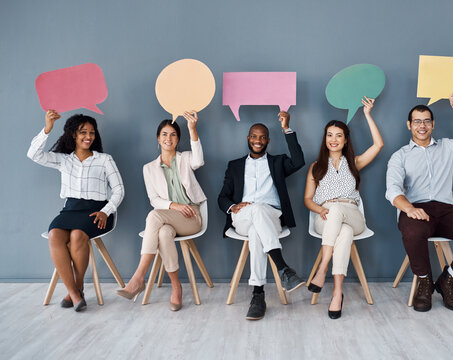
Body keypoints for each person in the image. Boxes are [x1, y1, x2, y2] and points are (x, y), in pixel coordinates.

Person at [386, 94, 453, 312]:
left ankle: (449, 280)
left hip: (446, 210)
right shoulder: (400, 156)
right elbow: (393, 191)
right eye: (417, 121)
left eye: (426, 121)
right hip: (416, 208)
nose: (422, 125)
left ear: (433, 124)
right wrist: (409, 209)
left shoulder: (448, 147)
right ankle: (424, 282)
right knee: (413, 232)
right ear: (409, 125)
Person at [28, 110, 125, 312]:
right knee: (55, 234)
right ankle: (74, 292)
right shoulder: (64, 160)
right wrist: (47, 128)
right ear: (74, 134)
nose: (88, 136)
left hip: (97, 211)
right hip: (70, 210)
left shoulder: (104, 159)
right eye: (83, 132)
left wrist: (106, 211)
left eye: (91, 132)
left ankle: (77, 286)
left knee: (78, 235)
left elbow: (119, 190)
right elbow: (34, 154)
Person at [218, 111, 306, 321]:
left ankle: (258, 295)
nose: (258, 140)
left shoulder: (277, 162)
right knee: (255, 211)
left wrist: (287, 128)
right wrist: (233, 206)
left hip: (271, 216)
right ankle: (283, 268)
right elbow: (222, 197)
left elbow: (299, 160)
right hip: (242, 217)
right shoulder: (235, 165)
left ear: (268, 140)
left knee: (257, 230)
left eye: (262, 137)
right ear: (248, 138)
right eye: (254, 136)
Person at [117, 112, 205, 311]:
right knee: (164, 233)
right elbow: (154, 199)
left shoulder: (186, 159)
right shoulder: (148, 168)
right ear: (158, 138)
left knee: (154, 215)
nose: (168, 139)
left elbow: (199, 160)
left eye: (173, 134)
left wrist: (192, 129)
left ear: (178, 139)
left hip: (192, 217)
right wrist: (174, 206)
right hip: (170, 218)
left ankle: (139, 277)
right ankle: (176, 287)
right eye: (164, 134)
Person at [304, 97, 383, 319]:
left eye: (339, 135)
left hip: (353, 215)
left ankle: (322, 269)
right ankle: (337, 293)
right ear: (325, 139)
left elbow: (378, 145)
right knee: (343, 233)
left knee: (339, 212)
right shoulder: (315, 168)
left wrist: (367, 114)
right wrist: (320, 210)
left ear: (346, 140)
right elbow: (308, 200)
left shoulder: (354, 163)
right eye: (329, 135)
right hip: (325, 217)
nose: (333, 139)